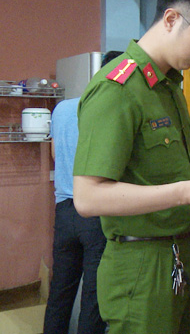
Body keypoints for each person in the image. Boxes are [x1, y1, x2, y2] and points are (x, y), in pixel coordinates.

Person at [72, 0, 190, 334]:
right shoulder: (118, 89)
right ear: (171, 19)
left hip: (184, 255)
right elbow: (87, 198)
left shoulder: (169, 88)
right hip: (141, 264)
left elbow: (170, 168)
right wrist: (185, 192)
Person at [43, 51, 120, 334]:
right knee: (93, 296)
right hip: (95, 213)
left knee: (60, 290)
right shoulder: (108, 110)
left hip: (64, 210)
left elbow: (55, 154)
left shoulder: (62, 109)